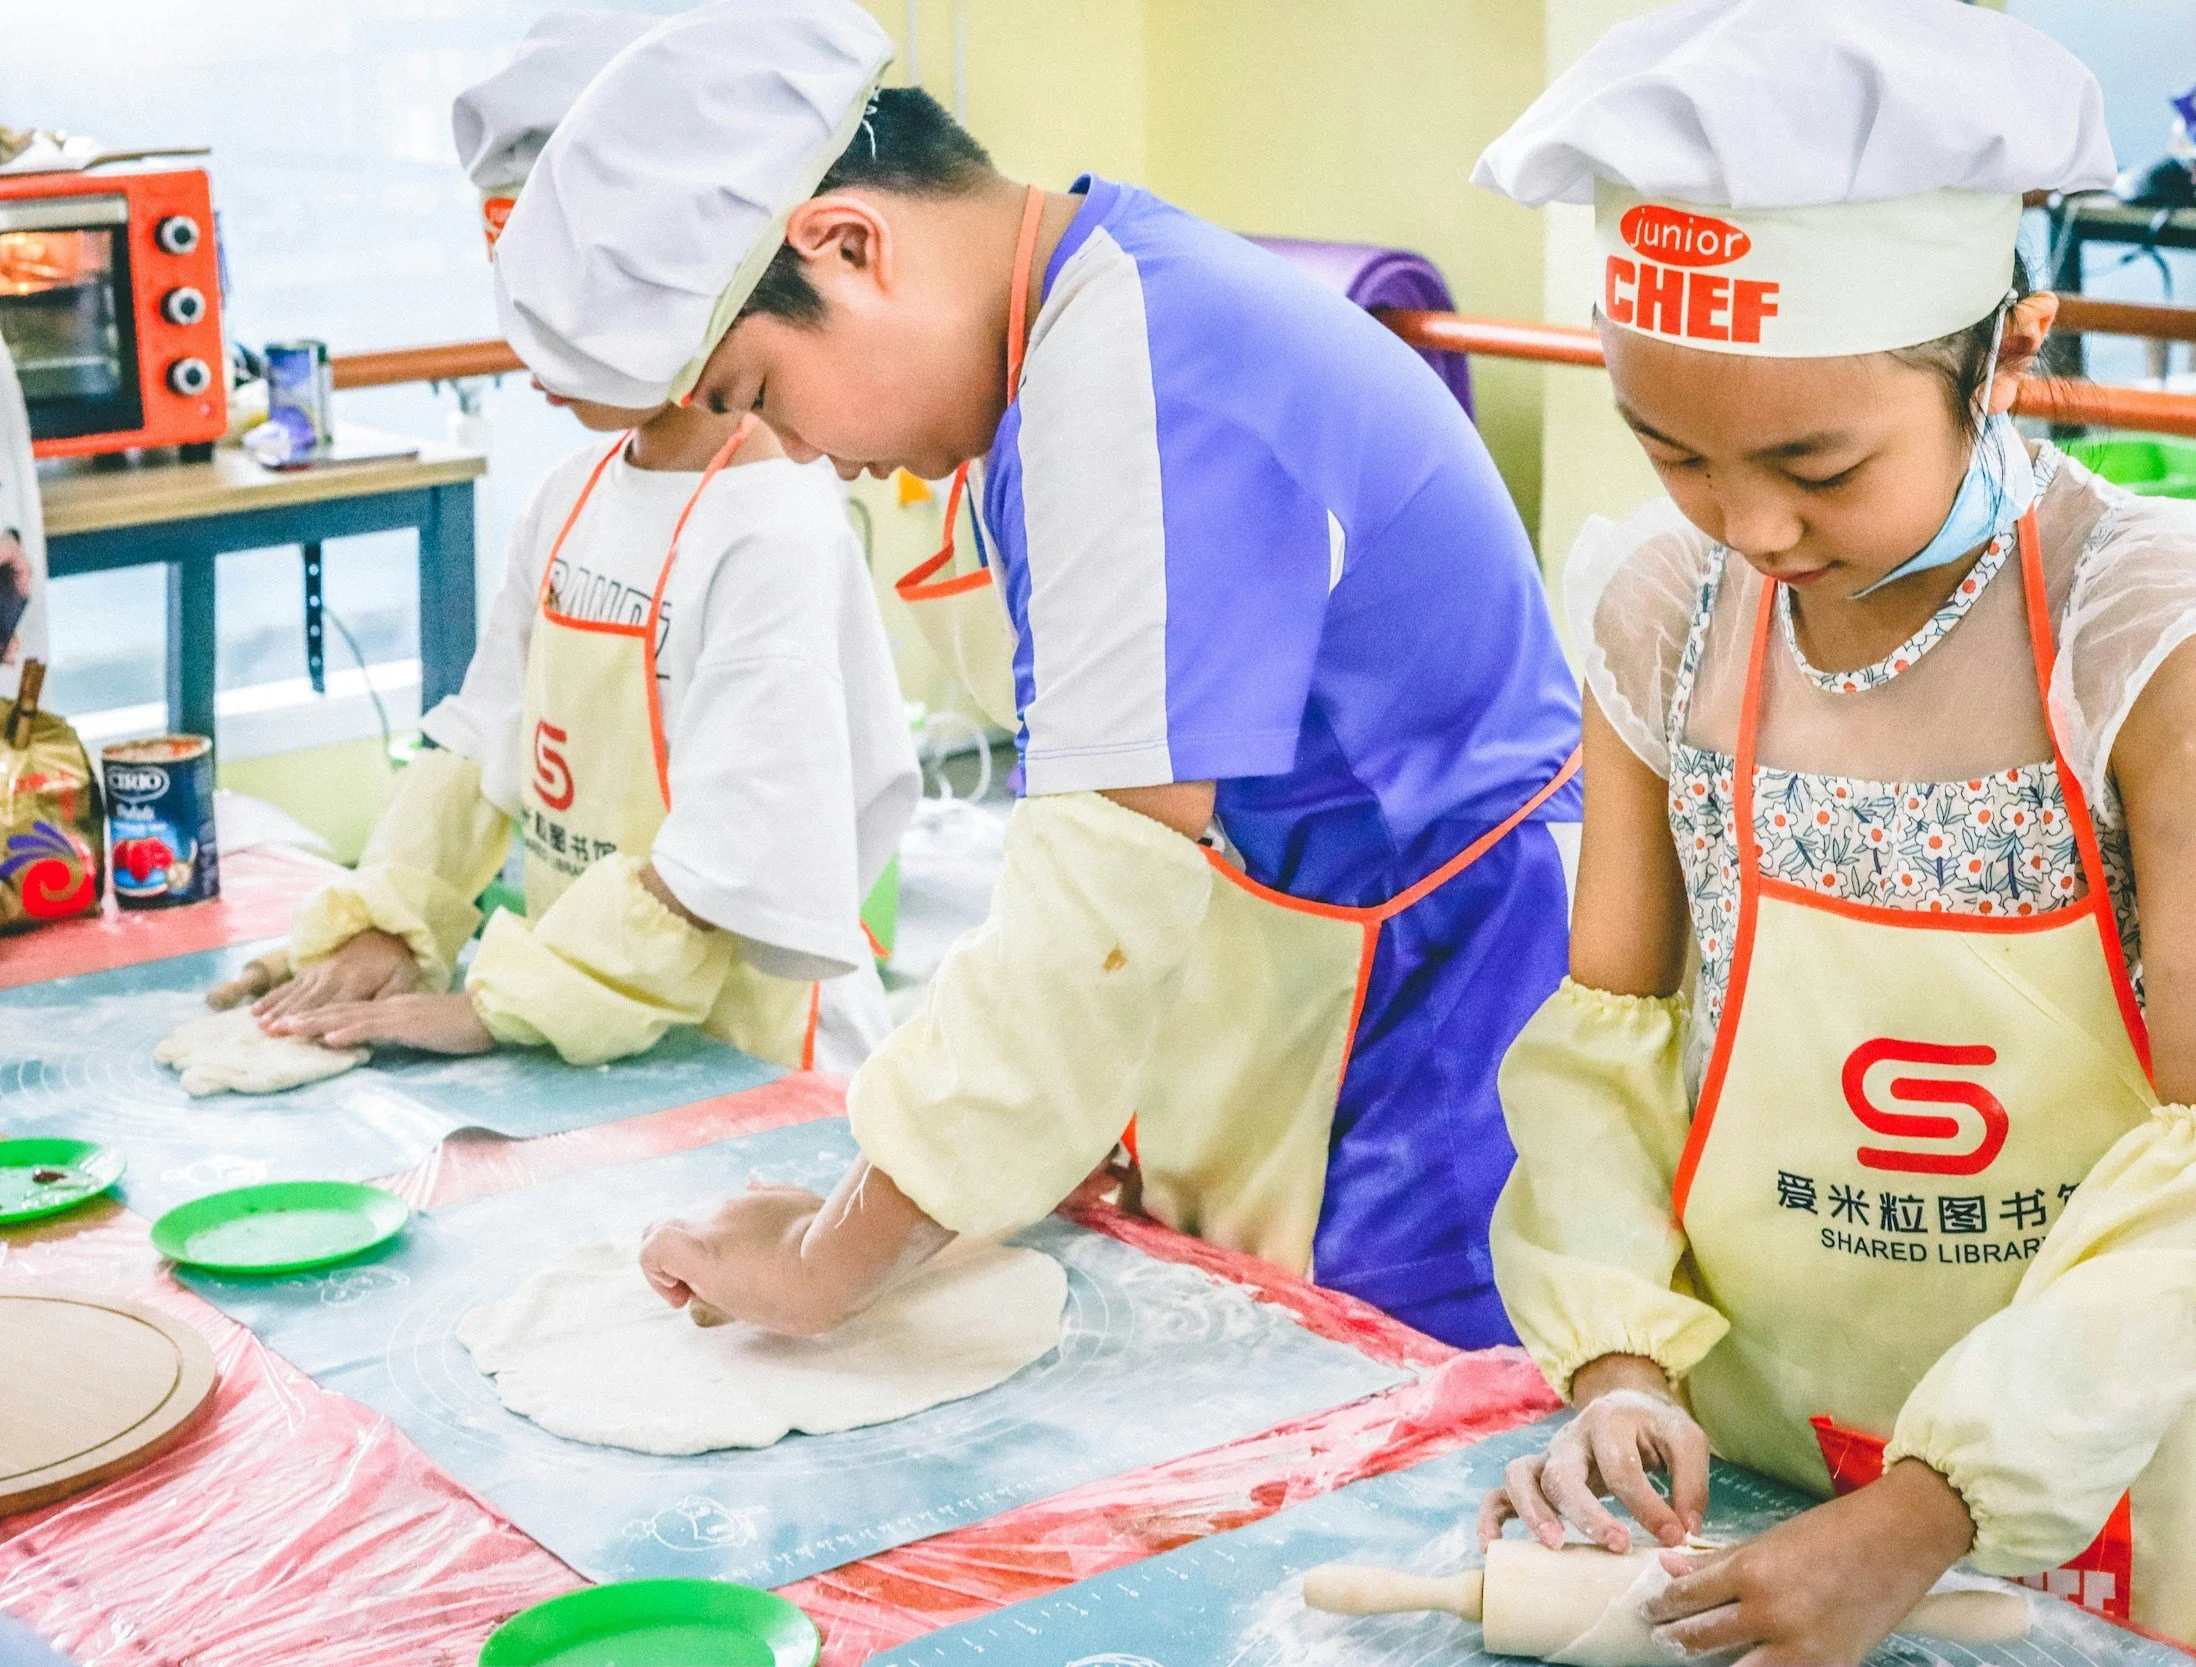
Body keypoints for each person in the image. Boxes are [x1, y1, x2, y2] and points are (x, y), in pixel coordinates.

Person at [489, 0, 1581, 1346]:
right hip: (1296, 958)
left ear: (844, 246)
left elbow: (1102, 879)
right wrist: (1023, 1139)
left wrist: (839, 1255)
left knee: (1400, 1424)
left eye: (761, 391)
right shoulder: (1082, 329)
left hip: (1442, 1001)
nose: (803, 450)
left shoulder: (1150, 375)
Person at [1470, 1, 2196, 1658]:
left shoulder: (2137, 625)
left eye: (1819, 461)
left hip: (2087, 1456)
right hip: (1752, 1434)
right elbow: (1609, 1050)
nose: (1752, 525)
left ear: (2008, 351)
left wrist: (1943, 1500)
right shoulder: (1663, 611)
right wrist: (1619, 1364)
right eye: (1675, 453)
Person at [239, 13, 919, 1075]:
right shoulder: (573, 492)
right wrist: (389, 918)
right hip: (595, 1037)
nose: (529, 338)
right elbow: (485, 736)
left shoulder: (774, 526)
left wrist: (513, 1001)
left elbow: (737, 853)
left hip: (755, 1061)